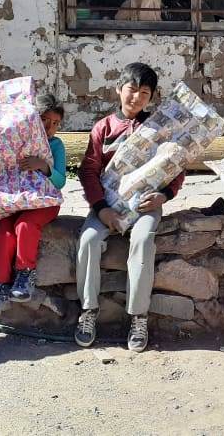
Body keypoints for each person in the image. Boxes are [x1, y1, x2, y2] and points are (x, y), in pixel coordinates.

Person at [74, 62, 184, 352]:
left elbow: (176, 166)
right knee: (88, 240)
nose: (136, 97)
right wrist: (101, 209)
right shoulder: (104, 128)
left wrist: (164, 196)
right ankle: (88, 311)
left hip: (146, 204)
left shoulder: (158, 128)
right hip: (107, 204)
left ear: (152, 97)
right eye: (132, 90)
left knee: (144, 239)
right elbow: (88, 171)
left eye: (144, 93)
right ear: (119, 90)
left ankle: (138, 316)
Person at [0, 94, 67, 315]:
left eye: (55, 123)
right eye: (44, 120)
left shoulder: (56, 145)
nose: (50, 127)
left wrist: (44, 166)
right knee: (4, 234)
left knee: (24, 226)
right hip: (15, 201)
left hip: (44, 203)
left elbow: (61, 181)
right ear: (32, 119)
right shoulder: (16, 141)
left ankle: (25, 274)